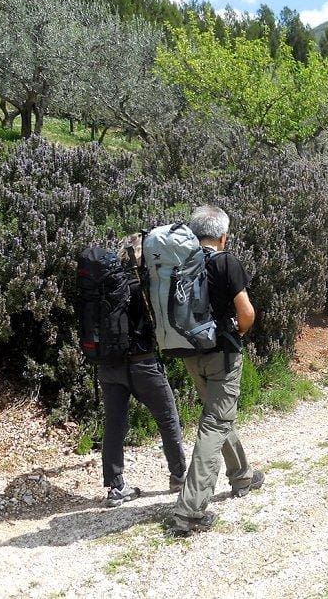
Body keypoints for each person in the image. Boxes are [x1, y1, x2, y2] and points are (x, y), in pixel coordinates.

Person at [173, 206, 264, 533]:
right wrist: (238, 332)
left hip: (189, 352)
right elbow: (247, 313)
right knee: (215, 421)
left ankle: (242, 476)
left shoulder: (180, 262)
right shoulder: (227, 262)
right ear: (223, 236)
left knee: (217, 414)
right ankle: (190, 510)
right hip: (222, 353)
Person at [97, 234, 187, 507]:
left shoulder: (102, 284)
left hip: (108, 366)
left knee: (114, 424)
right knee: (167, 416)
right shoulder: (142, 283)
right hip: (143, 363)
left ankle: (115, 488)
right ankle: (179, 475)